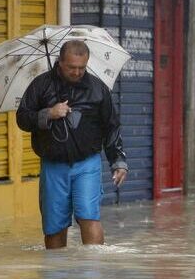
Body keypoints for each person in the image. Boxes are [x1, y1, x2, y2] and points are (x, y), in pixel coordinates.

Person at [16, 40, 128, 249]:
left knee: (89, 215)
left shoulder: (97, 89)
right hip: (53, 164)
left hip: (87, 163)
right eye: (71, 67)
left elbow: (111, 126)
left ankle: (92, 273)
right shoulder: (40, 85)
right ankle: (57, 277)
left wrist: (118, 161)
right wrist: (48, 113)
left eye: (81, 68)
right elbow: (22, 119)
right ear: (60, 62)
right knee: (54, 226)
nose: (77, 72)